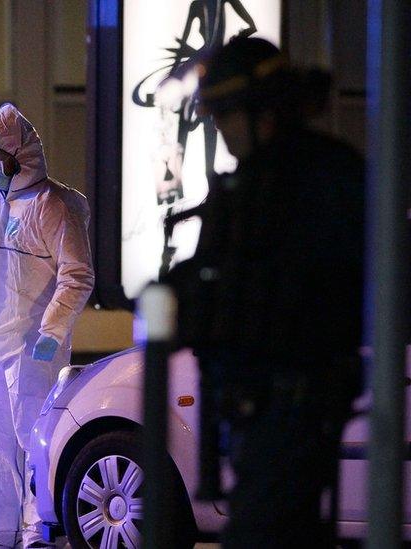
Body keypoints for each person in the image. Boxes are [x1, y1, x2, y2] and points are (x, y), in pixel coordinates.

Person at [168, 37, 364, 548]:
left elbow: (253, 286)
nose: (221, 133)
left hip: (290, 405)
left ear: (259, 113)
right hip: (268, 406)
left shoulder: (295, 183)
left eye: (224, 118)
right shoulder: (295, 175)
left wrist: (184, 300)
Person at [0, 104, 94, 549]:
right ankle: (0, 529)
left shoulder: (52, 206)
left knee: (35, 440)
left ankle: (39, 528)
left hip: (34, 347)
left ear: (20, 156)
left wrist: (53, 333)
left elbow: (77, 274)